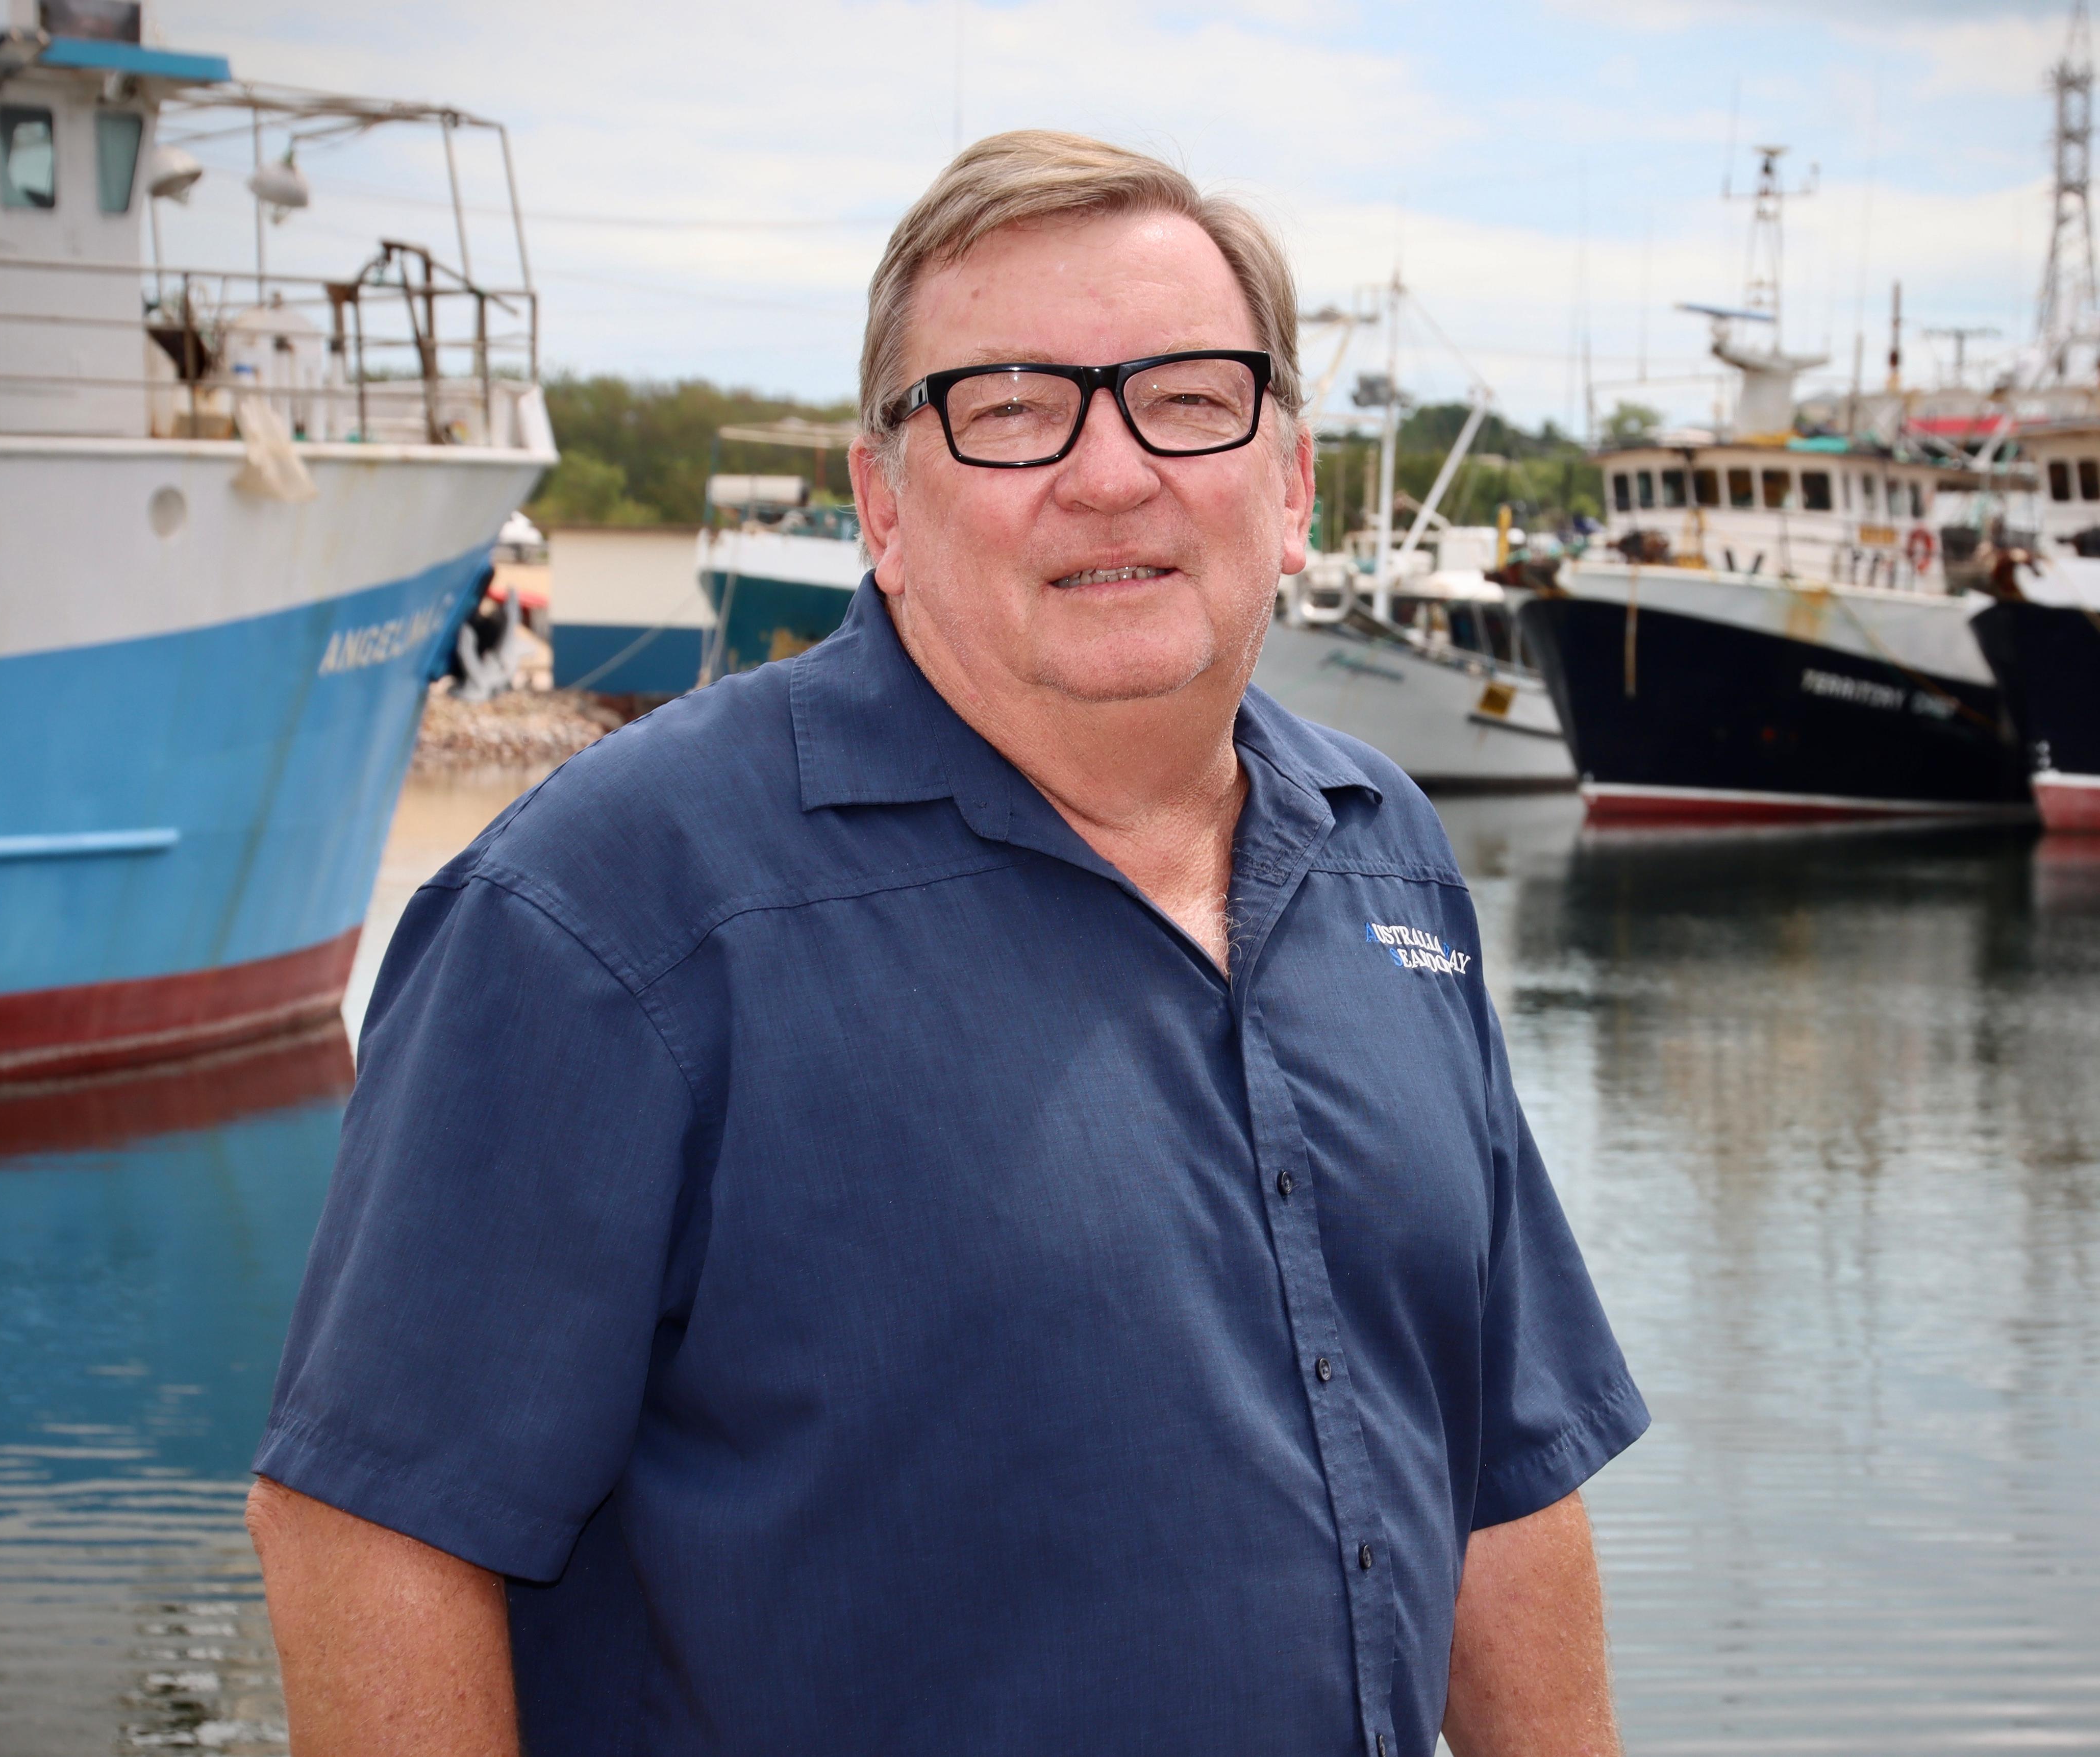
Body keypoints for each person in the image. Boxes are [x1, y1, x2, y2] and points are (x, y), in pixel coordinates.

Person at [247, 130, 1647, 1757]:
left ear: (1291, 482)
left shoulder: (1390, 864)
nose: (1111, 472)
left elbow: (1499, 1471)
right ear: (882, 502)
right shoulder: (610, 912)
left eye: (1190, 398)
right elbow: (366, 1526)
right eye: (1010, 408)